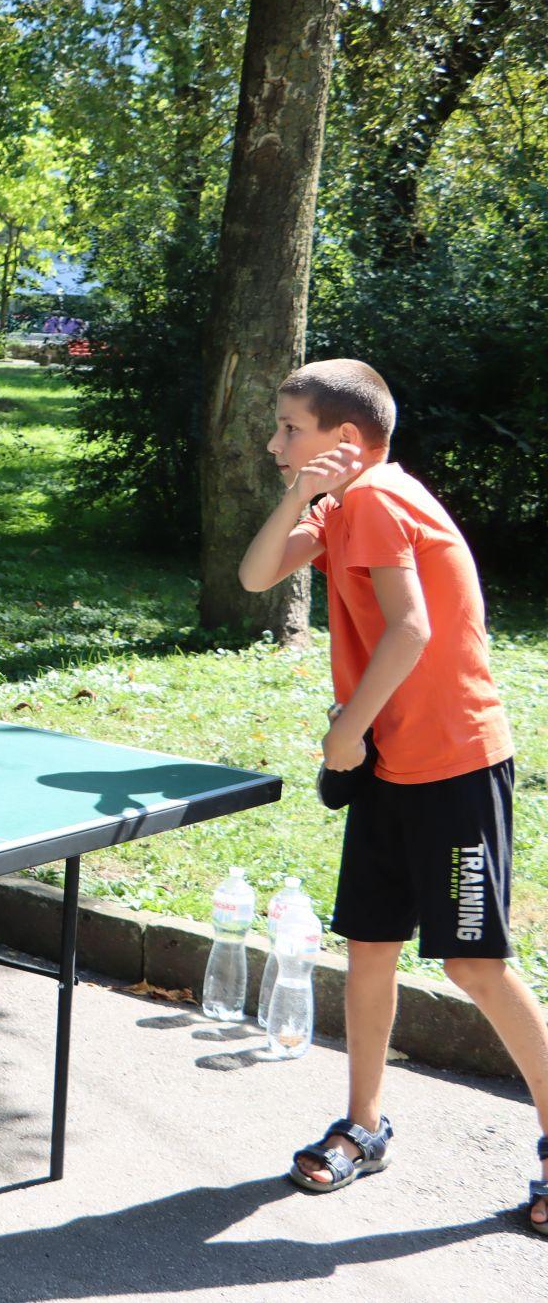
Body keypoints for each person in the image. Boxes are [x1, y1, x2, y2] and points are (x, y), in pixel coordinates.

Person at [238, 358, 548, 1229]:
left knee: (474, 963)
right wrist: (301, 493)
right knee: (370, 946)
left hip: (452, 763)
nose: (274, 441)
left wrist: (345, 730)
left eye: (289, 428)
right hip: (391, 765)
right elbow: (258, 575)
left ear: (345, 439)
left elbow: (410, 628)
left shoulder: (377, 500)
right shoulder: (348, 502)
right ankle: (363, 1126)